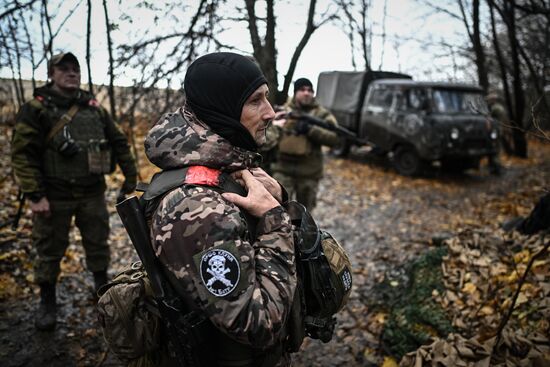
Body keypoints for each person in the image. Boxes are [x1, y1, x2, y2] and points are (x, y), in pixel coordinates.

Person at [144, 52, 296, 366]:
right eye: (256, 101)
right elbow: (258, 324)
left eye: (267, 98)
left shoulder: (229, 166)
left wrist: (279, 196)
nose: (269, 113)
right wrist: (275, 220)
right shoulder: (196, 206)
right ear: (221, 107)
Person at [11, 52, 137, 331]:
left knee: (98, 244)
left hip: (92, 193)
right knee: (49, 250)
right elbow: (22, 155)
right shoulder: (36, 109)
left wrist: (130, 179)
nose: (71, 73)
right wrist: (35, 195)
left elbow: (118, 142)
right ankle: (47, 301)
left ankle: (102, 291)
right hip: (53, 196)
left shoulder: (94, 108)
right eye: (64, 68)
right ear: (51, 74)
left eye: (75, 68)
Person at [271, 77, 340, 211]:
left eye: (310, 90)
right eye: (302, 90)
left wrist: (310, 130)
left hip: (309, 173)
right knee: (278, 210)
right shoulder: (282, 111)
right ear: (295, 92)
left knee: (305, 215)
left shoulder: (321, 114)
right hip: (282, 170)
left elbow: (335, 138)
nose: (307, 93)